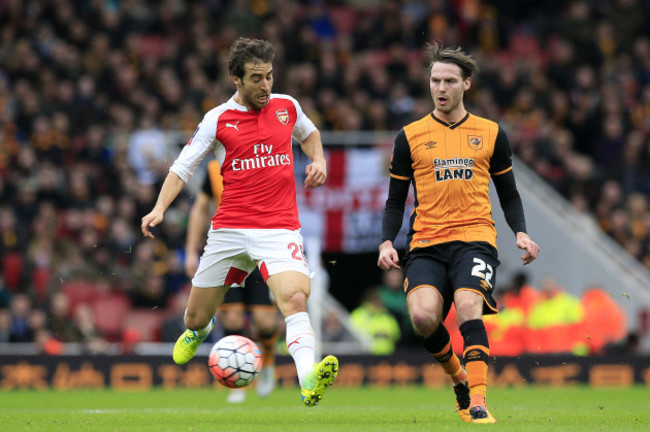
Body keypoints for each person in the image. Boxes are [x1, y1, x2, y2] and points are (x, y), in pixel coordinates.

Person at [141, 37, 337, 407]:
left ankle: (308, 378)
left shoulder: (287, 107)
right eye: (256, 78)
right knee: (196, 317)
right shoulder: (217, 120)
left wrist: (320, 161)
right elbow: (183, 166)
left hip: (279, 228)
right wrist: (159, 208)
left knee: (295, 298)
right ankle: (201, 329)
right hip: (229, 231)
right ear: (236, 79)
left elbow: (310, 134)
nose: (266, 86)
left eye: (270, 76)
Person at [377, 42, 540, 424]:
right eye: (435, 80)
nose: (441, 88)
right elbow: (394, 200)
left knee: (468, 306)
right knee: (421, 318)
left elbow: (509, 192)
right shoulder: (410, 136)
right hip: (427, 244)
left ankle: (479, 402)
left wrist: (520, 232)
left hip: (475, 238)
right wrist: (386, 240)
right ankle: (459, 378)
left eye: (450, 80)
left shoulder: (491, 133)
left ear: (466, 84)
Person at [185, 159, 280, 403]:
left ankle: (267, 364)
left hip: (260, 250)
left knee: (265, 322)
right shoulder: (214, 169)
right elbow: (200, 207)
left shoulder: (263, 161)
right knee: (234, 317)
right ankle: (235, 379)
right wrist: (190, 251)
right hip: (230, 251)